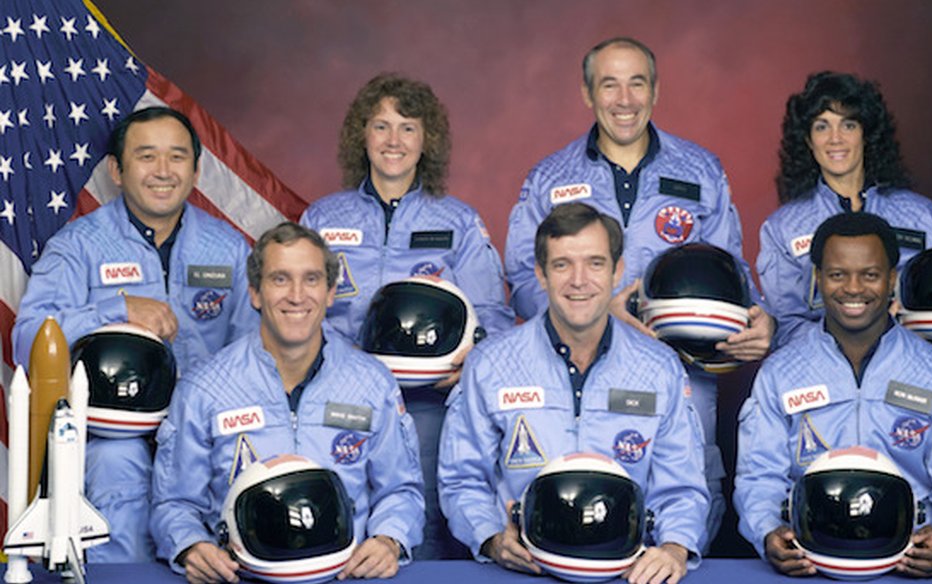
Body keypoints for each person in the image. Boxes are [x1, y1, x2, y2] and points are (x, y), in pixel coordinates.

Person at [503, 37, 772, 544]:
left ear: (656, 90)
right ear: (587, 93)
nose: (624, 100)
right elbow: (521, 278)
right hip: (573, 371)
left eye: (637, 83)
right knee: (584, 514)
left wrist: (759, 320)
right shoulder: (549, 178)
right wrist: (593, 314)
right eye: (609, 85)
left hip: (681, 372)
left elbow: (732, 272)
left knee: (683, 514)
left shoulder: (701, 171)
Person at [11, 106, 257, 562]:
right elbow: (29, 341)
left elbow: (254, 351)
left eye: (177, 157)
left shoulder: (226, 247)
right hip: (114, 434)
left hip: (203, 432)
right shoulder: (79, 246)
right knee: (115, 465)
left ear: (196, 171)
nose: (163, 171)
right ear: (116, 171)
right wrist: (117, 309)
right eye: (146, 156)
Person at [300, 73, 512, 559]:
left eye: (408, 128)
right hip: (339, 400)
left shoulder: (458, 221)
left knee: (428, 526)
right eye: (381, 126)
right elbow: (296, 307)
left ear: (426, 140)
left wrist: (469, 362)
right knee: (339, 522)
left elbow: (493, 318)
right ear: (362, 135)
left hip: (427, 407)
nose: (393, 140)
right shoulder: (323, 219)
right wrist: (339, 365)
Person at [440, 203, 710, 584]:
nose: (579, 281)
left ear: (617, 271)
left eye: (595, 264)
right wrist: (491, 538)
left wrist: (674, 548)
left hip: (629, 573)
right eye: (562, 265)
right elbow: (461, 478)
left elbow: (682, 488)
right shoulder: (491, 365)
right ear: (541, 274)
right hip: (524, 571)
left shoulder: (659, 368)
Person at [150, 222, 424, 583]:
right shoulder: (205, 388)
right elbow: (174, 503)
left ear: (330, 292)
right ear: (254, 293)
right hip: (242, 577)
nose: (296, 296)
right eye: (280, 279)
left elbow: (401, 490)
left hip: (346, 576)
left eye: (311, 279)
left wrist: (390, 539)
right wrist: (190, 545)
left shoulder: (372, 383)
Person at [734, 212, 932, 578]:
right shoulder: (780, 373)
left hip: (907, 558)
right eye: (838, 274)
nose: (853, 288)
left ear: (892, 279)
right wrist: (767, 532)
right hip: (811, 558)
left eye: (870, 275)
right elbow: (759, 476)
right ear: (818, 278)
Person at [758, 70, 932, 348]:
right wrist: (852, 339)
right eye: (822, 126)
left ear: (866, 134)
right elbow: (785, 327)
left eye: (848, 125)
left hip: (912, 363)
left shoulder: (919, 216)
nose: (835, 138)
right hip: (822, 369)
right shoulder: (783, 228)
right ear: (808, 140)